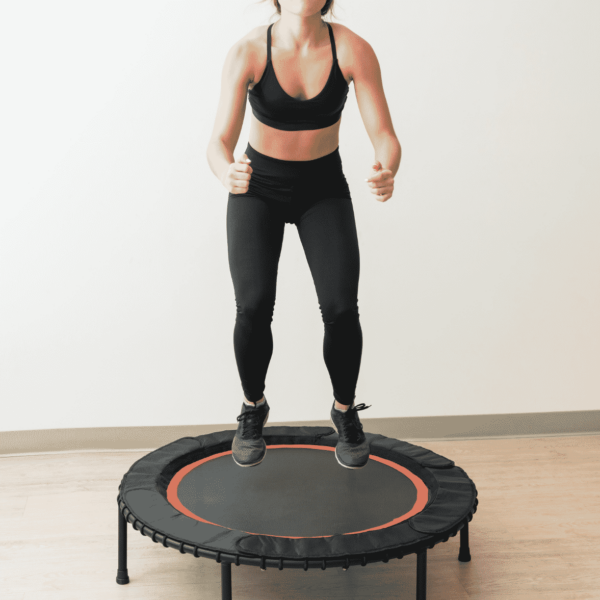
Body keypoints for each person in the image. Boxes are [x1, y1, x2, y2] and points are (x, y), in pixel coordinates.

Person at [206, 0, 401, 469]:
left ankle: (344, 411)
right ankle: (253, 409)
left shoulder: (353, 50)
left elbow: (385, 134)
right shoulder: (249, 51)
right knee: (252, 307)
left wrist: (387, 168)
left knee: (340, 308)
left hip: (322, 188)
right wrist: (224, 172)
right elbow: (217, 142)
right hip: (258, 189)